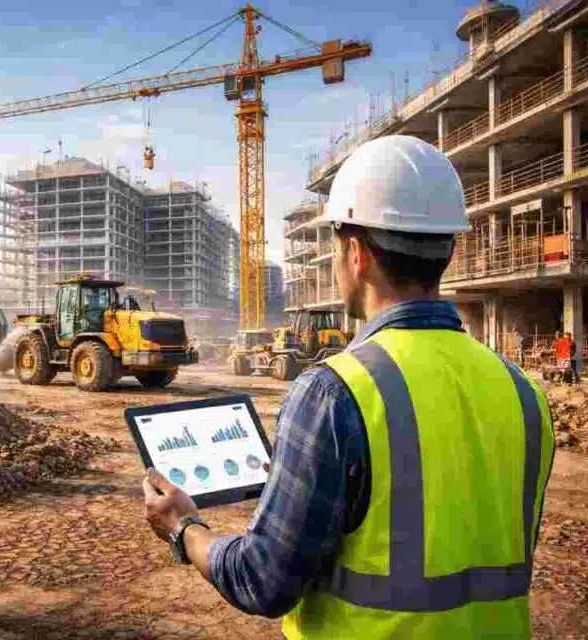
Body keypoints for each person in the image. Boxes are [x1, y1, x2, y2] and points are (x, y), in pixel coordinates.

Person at [142, 134, 556, 638]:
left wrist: (185, 529)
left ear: (356, 253)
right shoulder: (523, 392)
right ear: (449, 249)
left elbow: (264, 579)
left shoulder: (335, 393)